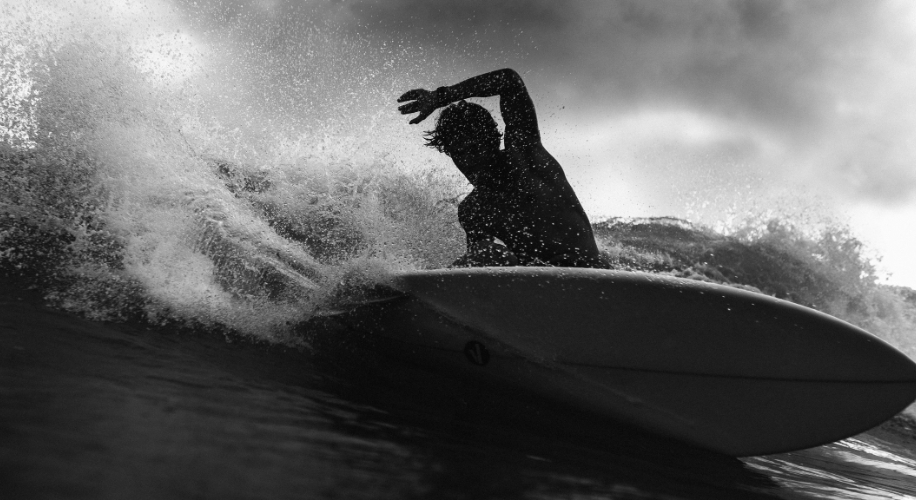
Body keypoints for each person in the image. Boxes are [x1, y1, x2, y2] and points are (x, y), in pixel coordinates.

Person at [397, 68, 602, 268]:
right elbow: (481, 268)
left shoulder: (525, 158)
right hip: (542, 289)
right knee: (488, 254)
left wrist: (442, 97)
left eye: (475, 148)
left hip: (595, 276)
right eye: (459, 153)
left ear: (493, 141)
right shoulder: (473, 210)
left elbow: (509, 81)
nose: (468, 161)